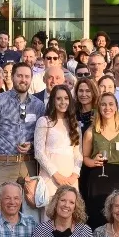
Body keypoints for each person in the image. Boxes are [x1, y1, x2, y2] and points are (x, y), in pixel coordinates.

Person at [0, 61, 44, 207]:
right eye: (19, 75)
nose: (23, 79)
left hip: (28, 165)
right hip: (2, 165)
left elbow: (41, 136)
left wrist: (31, 146)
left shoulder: (38, 105)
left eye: (27, 76)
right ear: (12, 77)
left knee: (29, 210)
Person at [81, 86, 119, 225]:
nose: (107, 107)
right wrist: (92, 162)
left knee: (118, 217)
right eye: (103, 104)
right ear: (99, 108)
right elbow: (84, 158)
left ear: (116, 107)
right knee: (96, 217)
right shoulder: (91, 132)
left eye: (111, 104)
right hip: (97, 180)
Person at [33, 82, 82, 220]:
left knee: (69, 217)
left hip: (70, 179)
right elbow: (39, 152)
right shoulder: (44, 122)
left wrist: (74, 175)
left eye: (66, 98)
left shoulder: (75, 124)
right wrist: (56, 174)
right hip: (51, 177)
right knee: (50, 216)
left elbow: (78, 153)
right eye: (59, 98)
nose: (63, 102)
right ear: (53, 101)